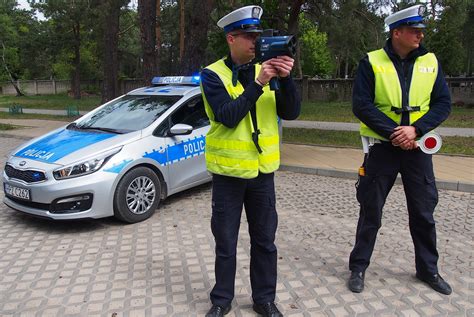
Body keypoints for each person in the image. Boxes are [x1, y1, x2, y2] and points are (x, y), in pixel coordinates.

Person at [200, 5, 300, 317]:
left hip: (262, 174)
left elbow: (292, 112)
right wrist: (257, 84)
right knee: (226, 242)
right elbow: (228, 117)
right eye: (248, 36)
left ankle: (264, 300)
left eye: (257, 35)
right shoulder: (212, 74)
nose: (255, 42)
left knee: (265, 242)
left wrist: (286, 79)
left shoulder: (269, 70)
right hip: (228, 175)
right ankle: (221, 301)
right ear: (231, 38)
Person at [348, 4, 452, 295]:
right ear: (397, 33)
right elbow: (361, 105)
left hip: (417, 149)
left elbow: (443, 103)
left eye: (421, 30)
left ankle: (428, 270)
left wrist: (415, 130)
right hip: (383, 149)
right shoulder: (371, 62)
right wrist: (395, 133)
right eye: (414, 30)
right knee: (371, 211)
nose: (420, 35)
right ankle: (358, 267)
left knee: (423, 212)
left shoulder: (431, 61)